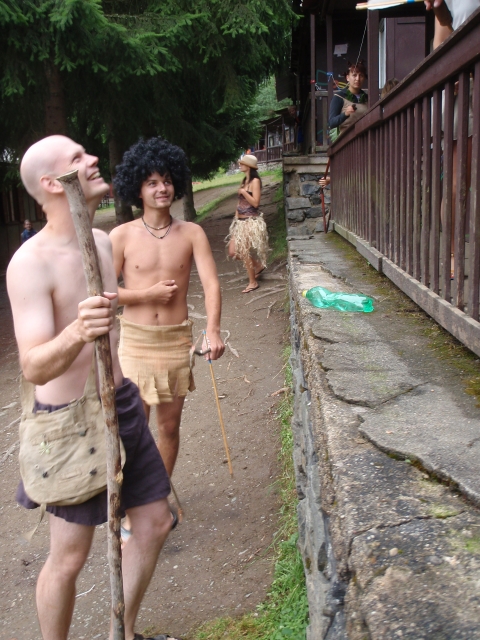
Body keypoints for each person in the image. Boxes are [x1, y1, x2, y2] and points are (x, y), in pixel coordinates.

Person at [7, 135, 180, 640]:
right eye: (78, 158)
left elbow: (112, 304)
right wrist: (77, 332)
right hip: (67, 423)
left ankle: (120, 633)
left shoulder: (101, 243)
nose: (94, 160)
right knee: (69, 556)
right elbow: (34, 366)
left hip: (119, 401)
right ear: (50, 183)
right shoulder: (30, 263)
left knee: (154, 522)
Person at [110, 137, 224, 492]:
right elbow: (103, 295)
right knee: (134, 431)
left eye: (167, 181)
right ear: (138, 189)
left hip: (176, 342)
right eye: (152, 182)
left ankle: (157, 496)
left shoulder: (192, 233)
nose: (162, 188)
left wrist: (213, 330)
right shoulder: (121, 235)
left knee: (169, 428)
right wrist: (147, 294)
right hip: (136, 343)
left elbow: (211, 284)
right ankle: (134, 503)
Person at [226, 154, 269, 293]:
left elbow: (255, 203)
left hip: (250, 222)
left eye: (242, 163)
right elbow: (240, 202)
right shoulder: (244, 180)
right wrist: (235, 219)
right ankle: (258, 265)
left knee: (244, 252)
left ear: (249, 166)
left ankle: (253, 282)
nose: (240, 165)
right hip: (240, 222)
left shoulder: (255, 181)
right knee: (232, 252)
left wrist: (244, 192)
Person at [329, 61, 369, 137]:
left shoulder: (367, 98)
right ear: (347, 77)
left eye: (361, 75)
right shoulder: (339, 97)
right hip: (347, 141)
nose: (357, 79)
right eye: (354, 75)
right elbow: (332, 123)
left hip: (365, 139)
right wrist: (345, 114)